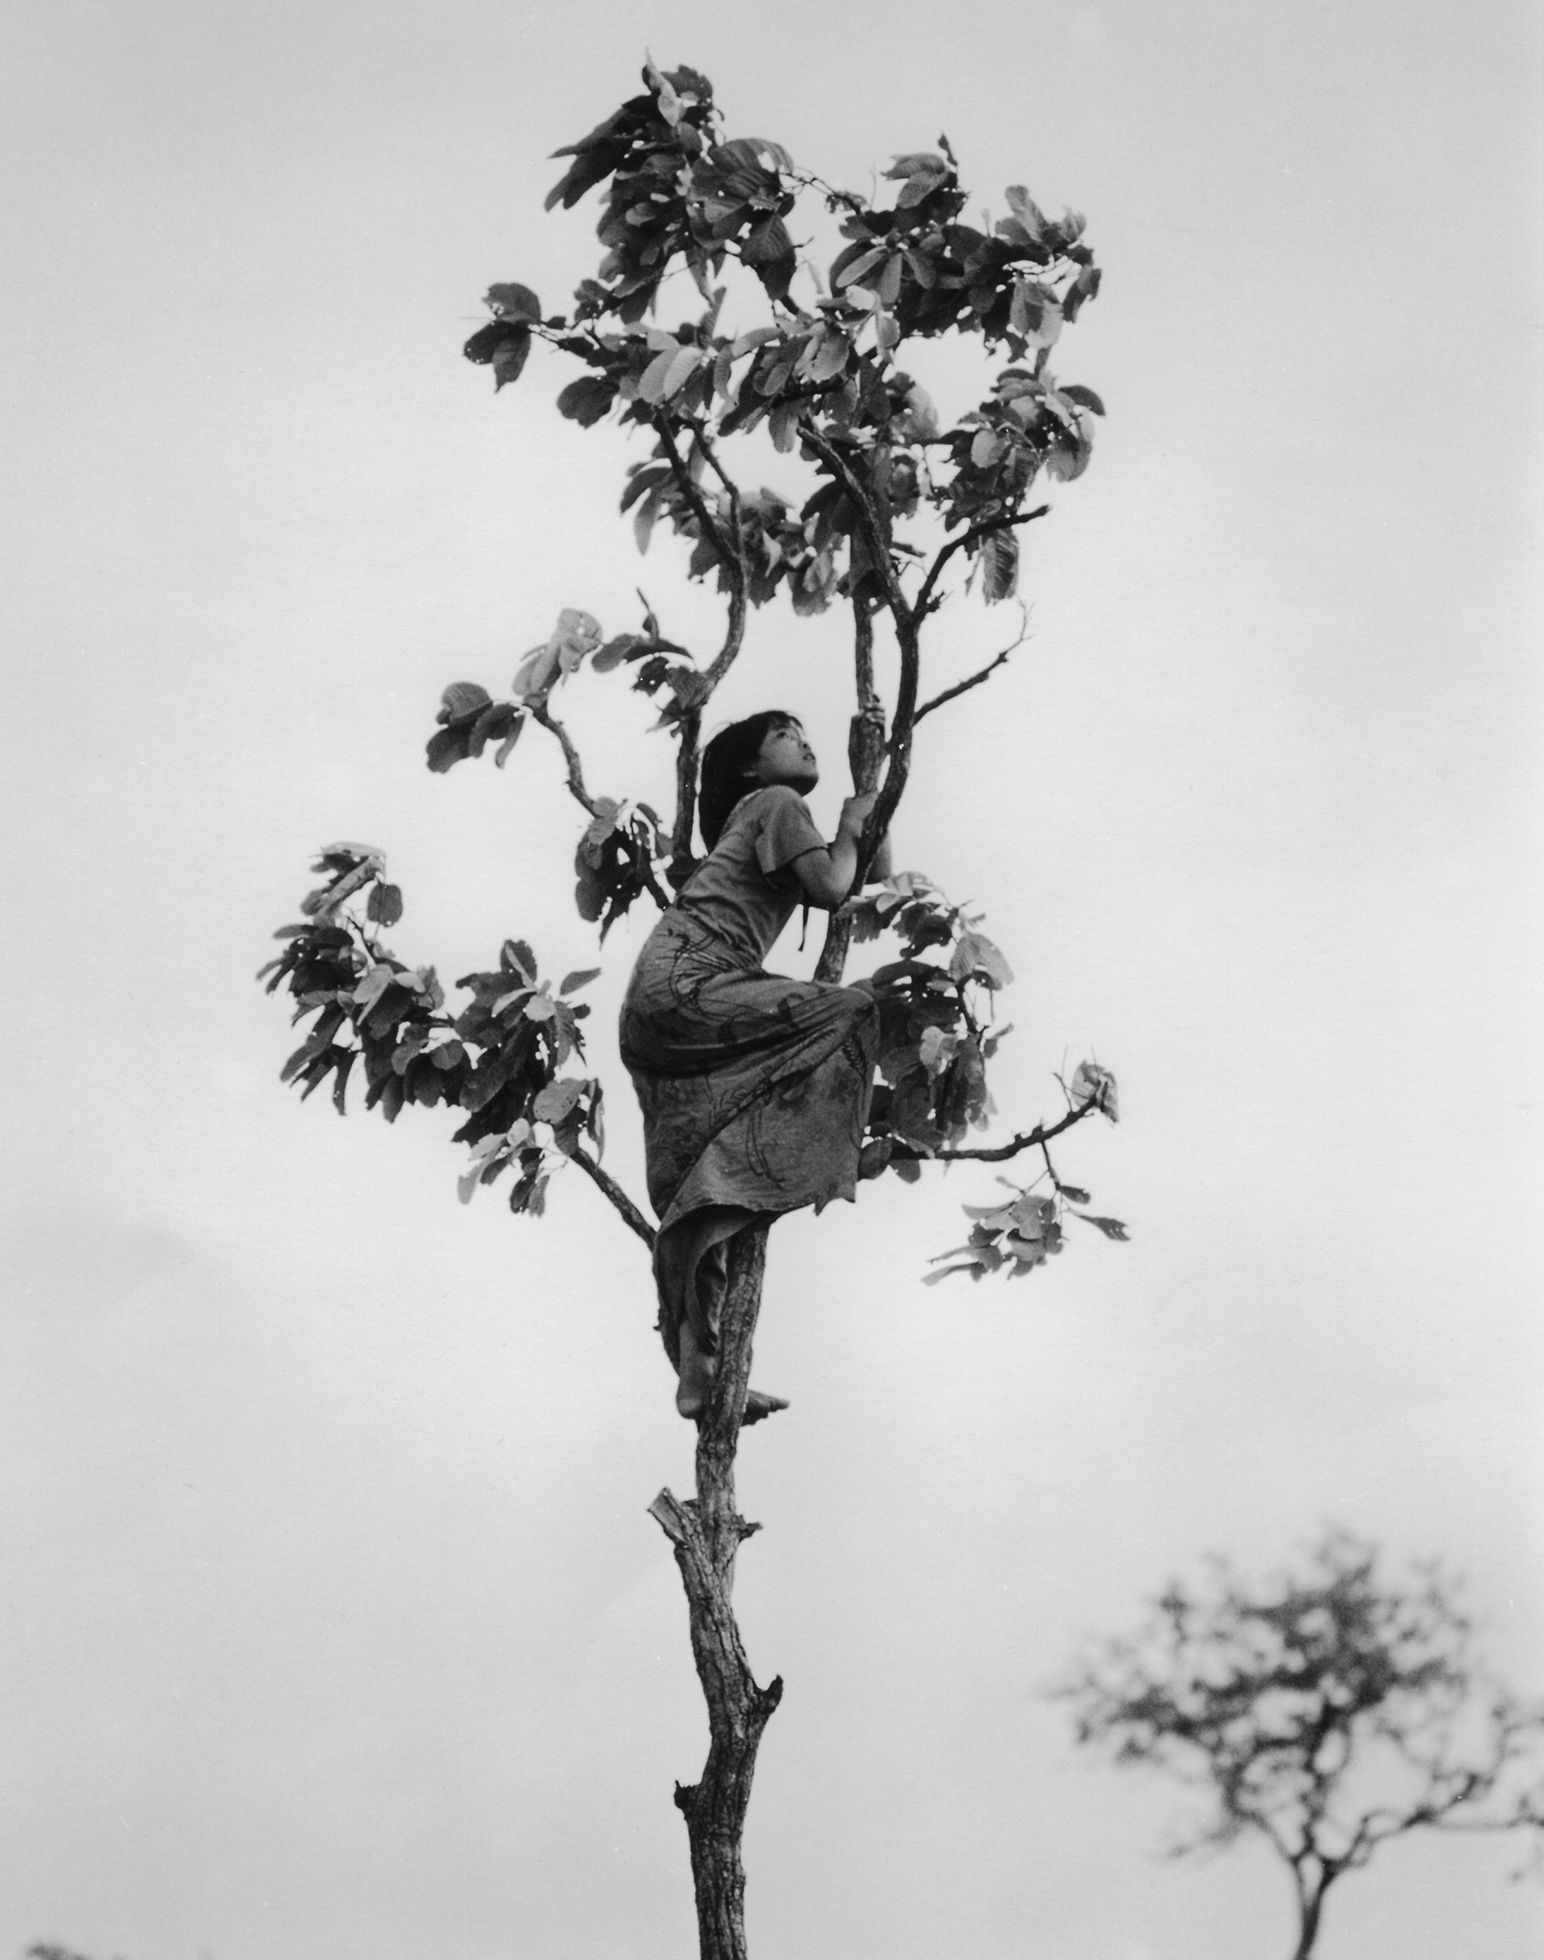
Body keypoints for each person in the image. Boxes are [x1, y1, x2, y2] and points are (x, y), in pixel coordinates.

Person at [619, 711, 888, 1423]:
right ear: (748, 768)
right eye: (786, 733)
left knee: (696, 1178)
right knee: (852, 1013)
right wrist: (856, 813)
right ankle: (760, 1168)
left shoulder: (768, 816)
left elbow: (867, 874)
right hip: (692, 980)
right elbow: (835, 887)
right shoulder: (776, 804)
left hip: (657, 1006)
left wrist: (870, 789)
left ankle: (699, 1372)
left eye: (808, 733)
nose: (805, 740)